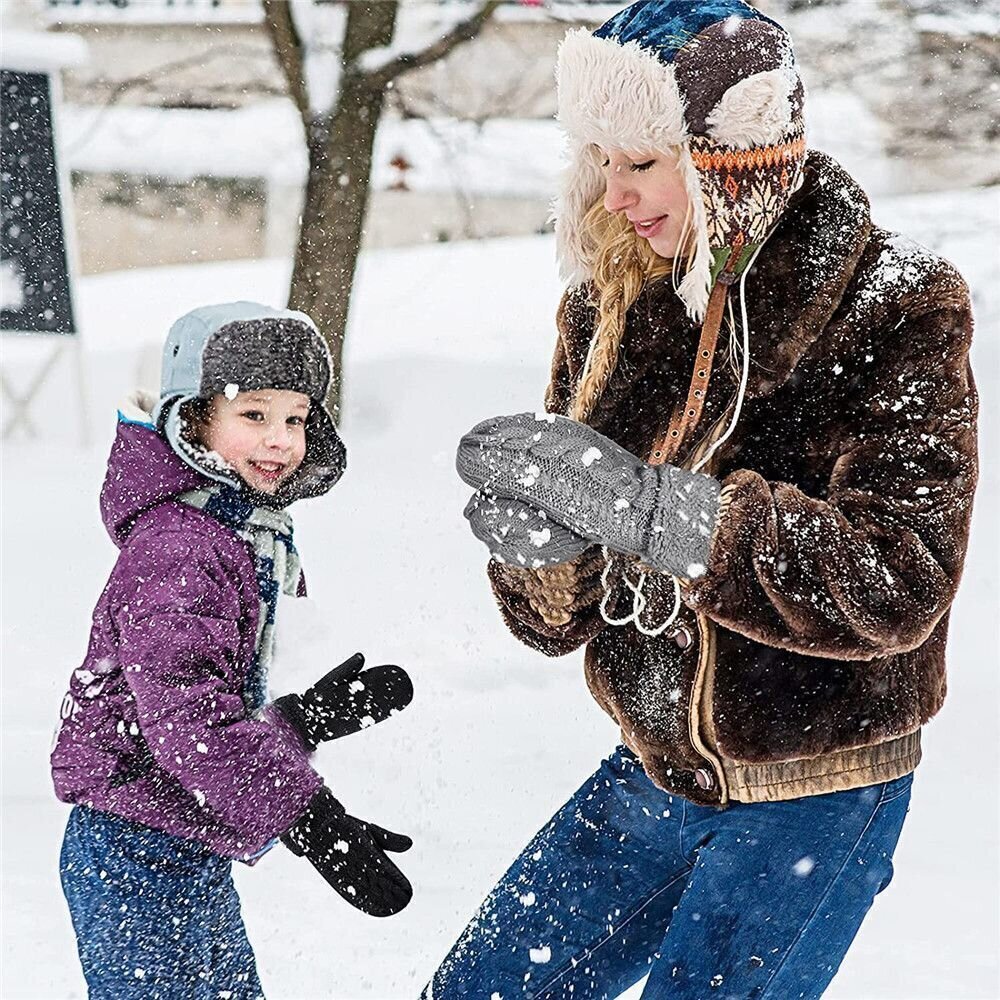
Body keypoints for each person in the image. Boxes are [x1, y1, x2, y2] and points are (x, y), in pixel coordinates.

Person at [431, 1, 980, 998]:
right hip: (653, 767)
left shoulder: (890, 301)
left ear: (734, 156)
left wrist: (660, 514)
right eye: (599, 161)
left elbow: (896, 579)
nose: (616, 196)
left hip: (817, 790)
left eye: (643, 162)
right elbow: (560, 623)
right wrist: (542, 552)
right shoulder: (614, 299)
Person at [51, 303, 415, 999]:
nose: (279, 440)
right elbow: (186, 727)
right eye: (253, 415)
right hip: (132, 854)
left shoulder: (242, 535)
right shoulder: (181, 549)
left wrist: (301, 720)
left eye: (296, 418)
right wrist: (311, 820)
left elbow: (200, 718)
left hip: (185, 839)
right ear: (192, 421)